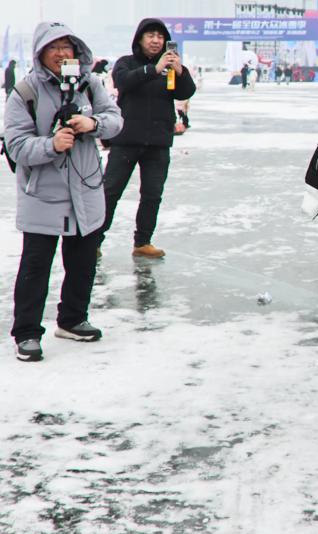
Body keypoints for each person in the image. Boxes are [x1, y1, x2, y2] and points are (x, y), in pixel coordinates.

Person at [4, 22, 124, 361]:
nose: (61, 53)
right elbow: (16, 146)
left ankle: (72, 319)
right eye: (53, 47)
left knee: (83, 262)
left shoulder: (90, 84)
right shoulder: (25, 91)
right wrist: (52, 144)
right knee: (36, 266)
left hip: (85, 189)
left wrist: (93, 124)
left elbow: (115, 119)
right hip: (42, 192)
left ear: (76, 51)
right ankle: (26, 333)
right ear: (40, 53)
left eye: (66, 47)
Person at [101, 18, 196, 259]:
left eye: (160, 36)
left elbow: (185, 92)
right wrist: (153, 69)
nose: (155, 40)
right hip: (126, 139)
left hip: (158, 141)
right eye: (150, 35)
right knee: (110, 191)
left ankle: (142, 242)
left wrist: (180, 71)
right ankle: (94, 241)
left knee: (152, 194)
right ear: (140, 39)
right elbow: (123, 81)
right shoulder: (126, 63)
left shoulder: (170, 67)